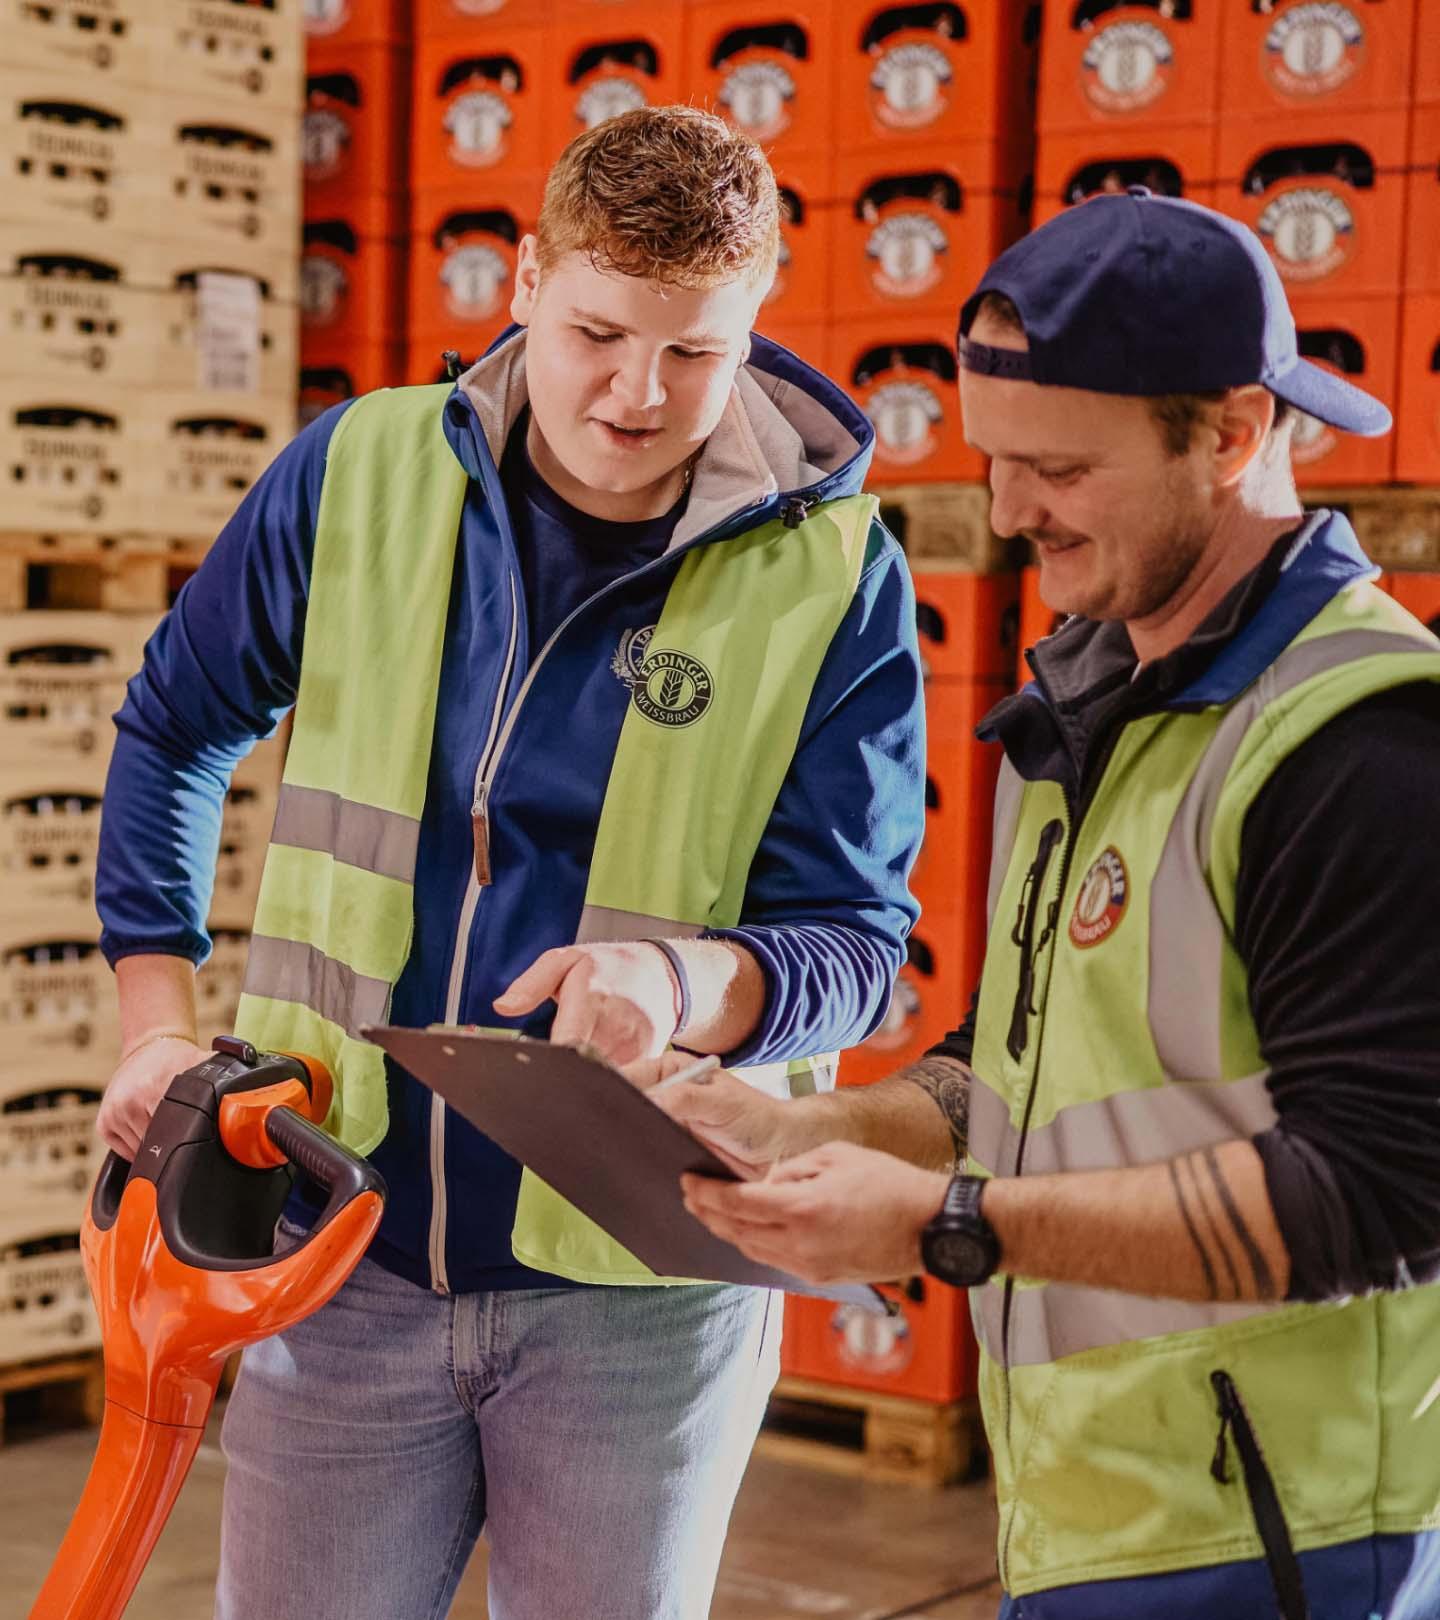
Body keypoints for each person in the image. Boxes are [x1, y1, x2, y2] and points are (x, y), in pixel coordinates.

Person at [93, 106, 925, 1620]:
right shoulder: (356, 477)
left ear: (754, 326)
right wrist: (156, 1021)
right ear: (525, 280)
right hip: (336, 1250)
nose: (637, 393)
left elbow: (857, 944)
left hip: (643, 1304)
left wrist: (683, 977)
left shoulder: (836, 571)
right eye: (600, 332)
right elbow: (173, 727)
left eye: (696, 353)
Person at [668, 190, 1440, 1620]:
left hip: (1289, 1542)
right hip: (1093, 1518)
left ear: (1230, 432)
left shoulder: (1357, 744)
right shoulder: (1091, 696)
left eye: (1060, 469)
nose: (1009, 511)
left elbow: (1385, 1192)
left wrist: (946, 1226)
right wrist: (821, 1126)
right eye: (993, 462)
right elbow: (1018, 1076)